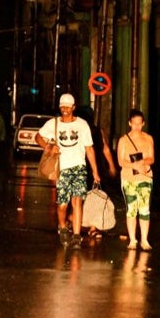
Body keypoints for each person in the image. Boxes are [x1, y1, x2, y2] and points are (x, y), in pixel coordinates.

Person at [36, 93, 101, 244]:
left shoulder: (82, 124)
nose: (65, 109)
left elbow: (89, 149)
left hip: (79, 167)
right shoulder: (53, 124)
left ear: (73, 107)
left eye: (68, 106)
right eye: (62, 106)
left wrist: (95, 171)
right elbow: (38, 137)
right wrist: (49, 147)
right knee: (63, 204)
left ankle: (77, 236)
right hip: (62, 168)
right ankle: (63, 226)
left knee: (77, 200)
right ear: (60, 107)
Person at [116, 108, 155, 250]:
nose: (137, 126)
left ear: (143, 123)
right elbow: (121, 161)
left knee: (144, 209)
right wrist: (134, 165)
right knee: (131, 209)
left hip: (145, 177)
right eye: (134, 123)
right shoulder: (123, 140)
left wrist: (142, 163)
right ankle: (133, 239)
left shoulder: (148, 138)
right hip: (128, 178)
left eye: (139, 123)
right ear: (129, 123)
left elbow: (151, 158)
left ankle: (144, 240)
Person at [76, 105, 116, 241]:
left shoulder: (79, 130)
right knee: (96, 197)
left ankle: (84, 224)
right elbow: (106, 149)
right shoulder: (98, 131)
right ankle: (91, 226)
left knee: (84, 197)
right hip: (98, 167)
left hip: (84, 167)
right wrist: (111, 166)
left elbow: (104, 149)